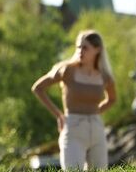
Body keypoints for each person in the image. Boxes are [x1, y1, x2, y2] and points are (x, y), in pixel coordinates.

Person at [31, 30, 117, 170]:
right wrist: (58, 114)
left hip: (96, 129)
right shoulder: (67, 70)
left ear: (97, 49)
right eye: (78, 47)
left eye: (85, 47)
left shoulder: (104, 76)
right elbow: (38, 88)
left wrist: (95, 111)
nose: (80, 51)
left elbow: (112, 99)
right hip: (73, 128)